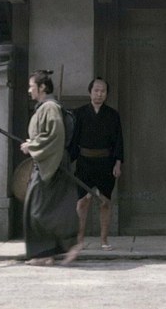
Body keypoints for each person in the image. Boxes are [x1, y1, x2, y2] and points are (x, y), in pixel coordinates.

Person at [19, 70, 82, 266]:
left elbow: (55, 136)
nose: (29, 90)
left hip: (52, 164)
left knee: (38, 209)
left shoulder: (50, 107)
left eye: (31, 86)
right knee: (44, 208)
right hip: (47, 161)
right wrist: (34, 144)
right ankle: (47, 253)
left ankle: (66, 245)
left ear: (42, 87)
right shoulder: (45, 107)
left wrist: (32, 146)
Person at [69, 77, 124, 251]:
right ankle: (79, 240)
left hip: (106, 162)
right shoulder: (79, 114)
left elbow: (118, 141)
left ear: (106, 94)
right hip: (85, 161)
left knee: (105, 202)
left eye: (103, 91)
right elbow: (73, 140)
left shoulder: (113, 115)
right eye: (96, 90)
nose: (99, 94)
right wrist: (67, 160)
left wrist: (118, 163)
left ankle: (104, 240)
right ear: (90, 92)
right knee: (82, 202)